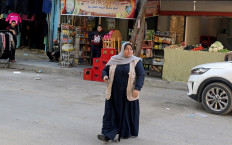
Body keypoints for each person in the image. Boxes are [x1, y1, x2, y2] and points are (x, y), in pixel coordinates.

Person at [98, 42, 145, 142]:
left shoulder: (136, 61)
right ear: (122, 50)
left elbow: (141, 75)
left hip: (128, 92)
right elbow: (105, 70)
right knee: (111, 112)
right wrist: (105, 76)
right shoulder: (114, 59)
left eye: (131, 49)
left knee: (125, 113)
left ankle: (119, 132)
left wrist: (137, 88)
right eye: (127, 49)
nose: (129, 51)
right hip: (114, 92)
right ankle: (107, 134)